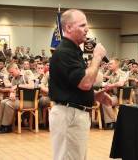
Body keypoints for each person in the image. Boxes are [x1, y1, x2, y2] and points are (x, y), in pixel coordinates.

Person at [49, 9, 106, 160]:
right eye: (82, 25)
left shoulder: (73, 51)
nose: (87, 29)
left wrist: (93, 96)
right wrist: (97, 57)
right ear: (68, 28)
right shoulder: (65, 52)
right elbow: (85, 83)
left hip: (73, 114)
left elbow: (71, 86)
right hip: (69, 115)